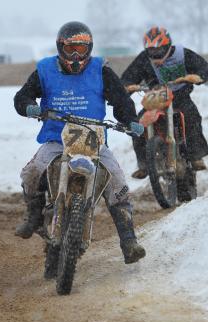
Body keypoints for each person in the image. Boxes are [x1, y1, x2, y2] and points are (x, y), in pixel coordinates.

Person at [13, 21, 146, 264]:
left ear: (90, 49)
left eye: (82, 49)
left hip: (93, 140)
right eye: (71, 48)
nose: (76, 55)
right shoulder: (45, 69)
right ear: (60, 47)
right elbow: (22, 95)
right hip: (56, 138)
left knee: (116, 179)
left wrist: (130, 120)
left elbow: (121, 99)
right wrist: (28, 106)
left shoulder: (100, 69)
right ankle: (33, 216)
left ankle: (129, 240)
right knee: (32, 172)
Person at [121, 26, 208, 179]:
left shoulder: (182, 54)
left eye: (159, 50)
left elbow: (204, 68)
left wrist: (198, 76)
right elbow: (128, 76)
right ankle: (144, 164)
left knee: (192, 117)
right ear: (146, 50)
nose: (155, 54)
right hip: (155, 100)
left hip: (180, 98)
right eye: (151, 51)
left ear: (168, 45)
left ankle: (196, 156)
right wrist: (127, 86)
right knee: (137, 125)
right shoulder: (144, 59)